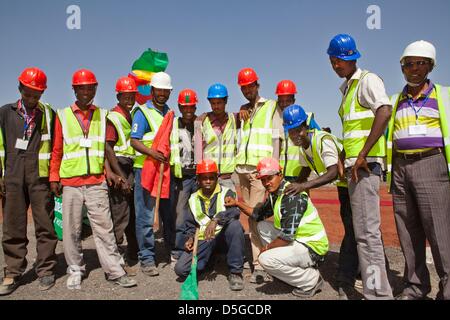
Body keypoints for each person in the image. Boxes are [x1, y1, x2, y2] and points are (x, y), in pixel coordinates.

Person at [49, 69, 136, 290]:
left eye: (90, 88)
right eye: (82, 88)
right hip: (71, 182)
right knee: (71, 230)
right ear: (75, 90)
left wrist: (110, 173)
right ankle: (76, 269)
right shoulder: (63, 115)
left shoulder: (102, 115)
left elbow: (105, 149)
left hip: (97, 182)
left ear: (96, 89)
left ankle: (114, 270)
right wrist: (54, 177)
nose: (86, 92)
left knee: (104, 228)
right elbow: (57, 149)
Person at [327, 33, 393, 299]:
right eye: (334, 61)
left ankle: (378, 295)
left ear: (353, 58)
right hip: (355, 167)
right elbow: (354, 130)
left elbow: (385, 110)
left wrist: (363, 154)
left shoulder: (367, 80)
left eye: (342, 60)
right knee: (363, 233)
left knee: (367, 235)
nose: (337, 65)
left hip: (365, 168)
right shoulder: (348, 88)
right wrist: (344, 154)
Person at [386, 40, 450, 300]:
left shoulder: (444, 96)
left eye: (420, 63)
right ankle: (415, 286)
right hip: (400, 168)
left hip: (432, 165)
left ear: (430, 66)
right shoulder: (394, 101)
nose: (414, 69)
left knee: (439, 231)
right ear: (402, 68)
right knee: (408, 230)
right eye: (408, 64)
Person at [282, 104, 358, 299]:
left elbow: (332, 172)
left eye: (298, 129)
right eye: (291, 131)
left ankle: (346, 275)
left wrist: (304, 186)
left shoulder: (322, 140)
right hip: (345, 185)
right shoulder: (304, 146)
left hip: (355, 181)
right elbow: (305, 170)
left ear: (306, 126)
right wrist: (290, 185)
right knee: (355, 227)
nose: (295, 134)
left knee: (355, 228)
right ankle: (362, 266)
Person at [225, 157, 328, 298]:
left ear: (280, 175)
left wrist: (266, 249)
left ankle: (311, 280)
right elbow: (257, 214)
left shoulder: (291, 196)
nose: (266, 183)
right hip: (299, 240)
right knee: (262, 226)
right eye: (263, 179)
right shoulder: (276, 193)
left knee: (266, 259)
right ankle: (289, 268)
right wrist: (237, 203)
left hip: (313, 248)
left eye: (270, 178)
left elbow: (287, 236)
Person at [0, 67, 57, 295]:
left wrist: (53, 177)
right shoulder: (5, 113)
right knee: (13, 223)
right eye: (29, 93)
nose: (32, 98)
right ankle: (13, 271)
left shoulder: (48, 114)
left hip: (39, 175)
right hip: (12, 173)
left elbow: (55, 146)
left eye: (37, 94)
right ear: (20, 89)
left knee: (45, 223)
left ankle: (46, 269)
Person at [235, 67, 283, 283]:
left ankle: (259, 263)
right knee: (249, 214)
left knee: (255, 215)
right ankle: (260, 256)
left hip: (258, 170)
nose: (247, 90)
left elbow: (276, 138)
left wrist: (272, 168)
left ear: (257, 85)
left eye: (250, 86)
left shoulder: (271, 106)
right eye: (243, 87)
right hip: (242, 170)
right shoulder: (244, 110)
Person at [174, 159, 245, 291]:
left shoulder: (226, 192)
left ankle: (235, 272)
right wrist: (190, 238)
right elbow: (190, 224)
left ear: (216, 178)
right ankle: (210, 259)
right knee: (181, 270)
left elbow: (234, 211)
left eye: (211, 178)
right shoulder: (193, 198)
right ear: (198, 180)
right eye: (204, 178)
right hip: (205, 240)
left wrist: (216, 219)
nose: (208, 181)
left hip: (223, 237)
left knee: (235, 226)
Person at [130, 72, 174, 276]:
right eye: (159, 90)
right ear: (152, 90)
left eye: (166, 91)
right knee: (146, 215)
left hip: (165, 171)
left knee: (167, 213)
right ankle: (147, 257)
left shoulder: (169, 113)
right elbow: (135, 140)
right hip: (146, 170)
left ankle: (170, 251)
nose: (162, 94)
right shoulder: (142, 112)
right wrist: (153, 154)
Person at [105, 76, 139, 275]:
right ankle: (115, 261)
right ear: (118, 96)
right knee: (120, 215)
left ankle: (133, 252)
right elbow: (108, 148)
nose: (129, 99)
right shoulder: (114, 117)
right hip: (120, 167)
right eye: (125, 96)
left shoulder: (130, 115)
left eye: (132, 95)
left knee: (132, 213)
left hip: (130, 166)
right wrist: (119, 175)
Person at [170, 89, 198, 263]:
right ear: (180, 106)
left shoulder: (200, 123)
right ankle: (178, 251)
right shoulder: (173, 123)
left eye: (191, 107)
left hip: (200, 176)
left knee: (198, 213)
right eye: (185, 107)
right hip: (181, 177)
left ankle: (197, 246)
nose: (188, 110)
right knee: (180, 215)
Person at [275, 80, 321, 182]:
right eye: (281, 101)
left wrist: (305, 172)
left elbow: (317, 143)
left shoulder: (306, 118)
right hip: (281, 175)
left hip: (301, 174)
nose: (284, 104)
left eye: (288, 101)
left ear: (294, 100)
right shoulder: (277, 122)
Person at [197, 83, 238, 191]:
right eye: (213, 103)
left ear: (226, 101)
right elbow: (197, 152)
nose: (216, 106)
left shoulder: (234, 119)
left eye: (219, 103)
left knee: (229, 207)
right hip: (208, 177)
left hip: (228, 178)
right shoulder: (201, 121)